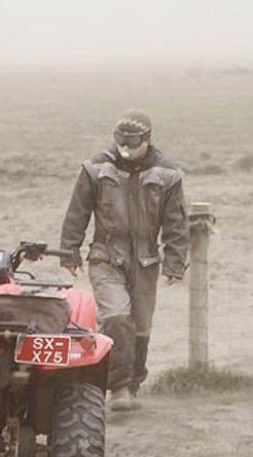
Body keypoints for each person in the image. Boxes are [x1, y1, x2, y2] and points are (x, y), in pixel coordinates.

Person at [60, 109, 189, 411]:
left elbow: (176, 223)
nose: (126, 150)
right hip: (106, 257)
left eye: (133, 143)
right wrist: (70, 251)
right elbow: (77, 212)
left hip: (146, 260)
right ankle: (117, 388)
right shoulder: (95, 169)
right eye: (121, 143)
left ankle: (132, 386)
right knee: (116, 318)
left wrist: (174, 261)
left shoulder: (168, 175)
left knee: (141, 327)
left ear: (148, 139)